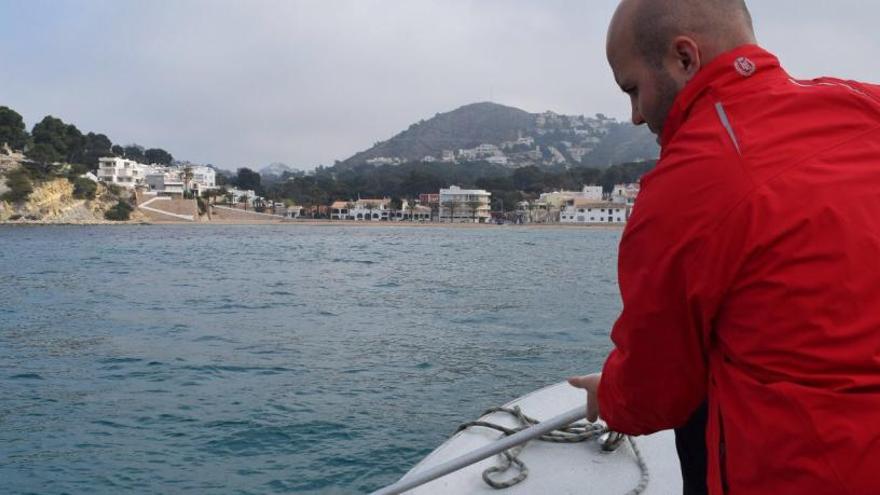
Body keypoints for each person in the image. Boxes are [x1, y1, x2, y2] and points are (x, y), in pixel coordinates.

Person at [568, 0, 880, 494]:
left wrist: (609, 393)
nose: (634, 115)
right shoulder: (863, 101)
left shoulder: (685, 187)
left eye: (633, 89)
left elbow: (655, 394)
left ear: (685, 58)